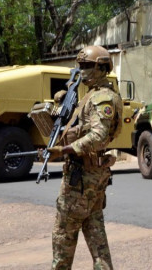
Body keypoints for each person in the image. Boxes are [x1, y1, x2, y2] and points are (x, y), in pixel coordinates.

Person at [44, 45, 123, 270]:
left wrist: (66, 150)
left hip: (82, 178)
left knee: (63, 236)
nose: (82, 70)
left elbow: (98, 136)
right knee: (96, 237)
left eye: (87, 66)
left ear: (101, 68)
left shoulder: (101, 98)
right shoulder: (94, 95)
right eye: (80, 65)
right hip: (93, 177)